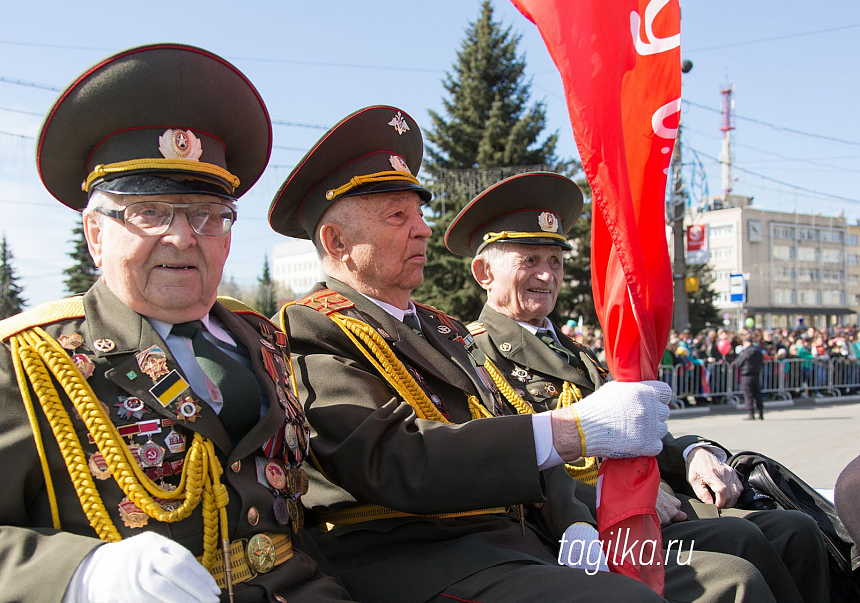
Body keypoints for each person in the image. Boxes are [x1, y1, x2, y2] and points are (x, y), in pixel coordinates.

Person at [266, 105, 762, 603]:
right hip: (419, 559)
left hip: (516, 540)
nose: (422, 229)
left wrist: (572, 523)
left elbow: (506, 420)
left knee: (742, 559)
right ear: (337, 241)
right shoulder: (311, 327)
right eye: (398, 215)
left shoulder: (440, 327)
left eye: (419, 213)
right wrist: (572, 432)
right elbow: (396, 460)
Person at [0, 44, 352, 603]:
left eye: (207, 215)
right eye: (150, 212)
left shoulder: (264, 338)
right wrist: (82, 575)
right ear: (96, 234)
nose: (183, 237)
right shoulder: (29, 361)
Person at [444, 171, 831, 603]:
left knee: (797, 531)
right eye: (529, 260)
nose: (547, 275)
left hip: (646, 499)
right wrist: (617, 498)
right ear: (483, 272)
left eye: (555, 261)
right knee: (740, 555)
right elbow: (515, 463)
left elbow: (633, 427)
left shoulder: (578, 353)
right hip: (576, 528)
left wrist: (690, 453)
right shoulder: (471, 355)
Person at [733, 334, 766, 420]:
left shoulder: (746, 352)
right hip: (756, 374)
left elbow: (738, 363)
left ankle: (751, 413)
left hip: (746, 375)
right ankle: (760, 413)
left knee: (748, 395)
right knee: (757, 394)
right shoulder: (758, 351)